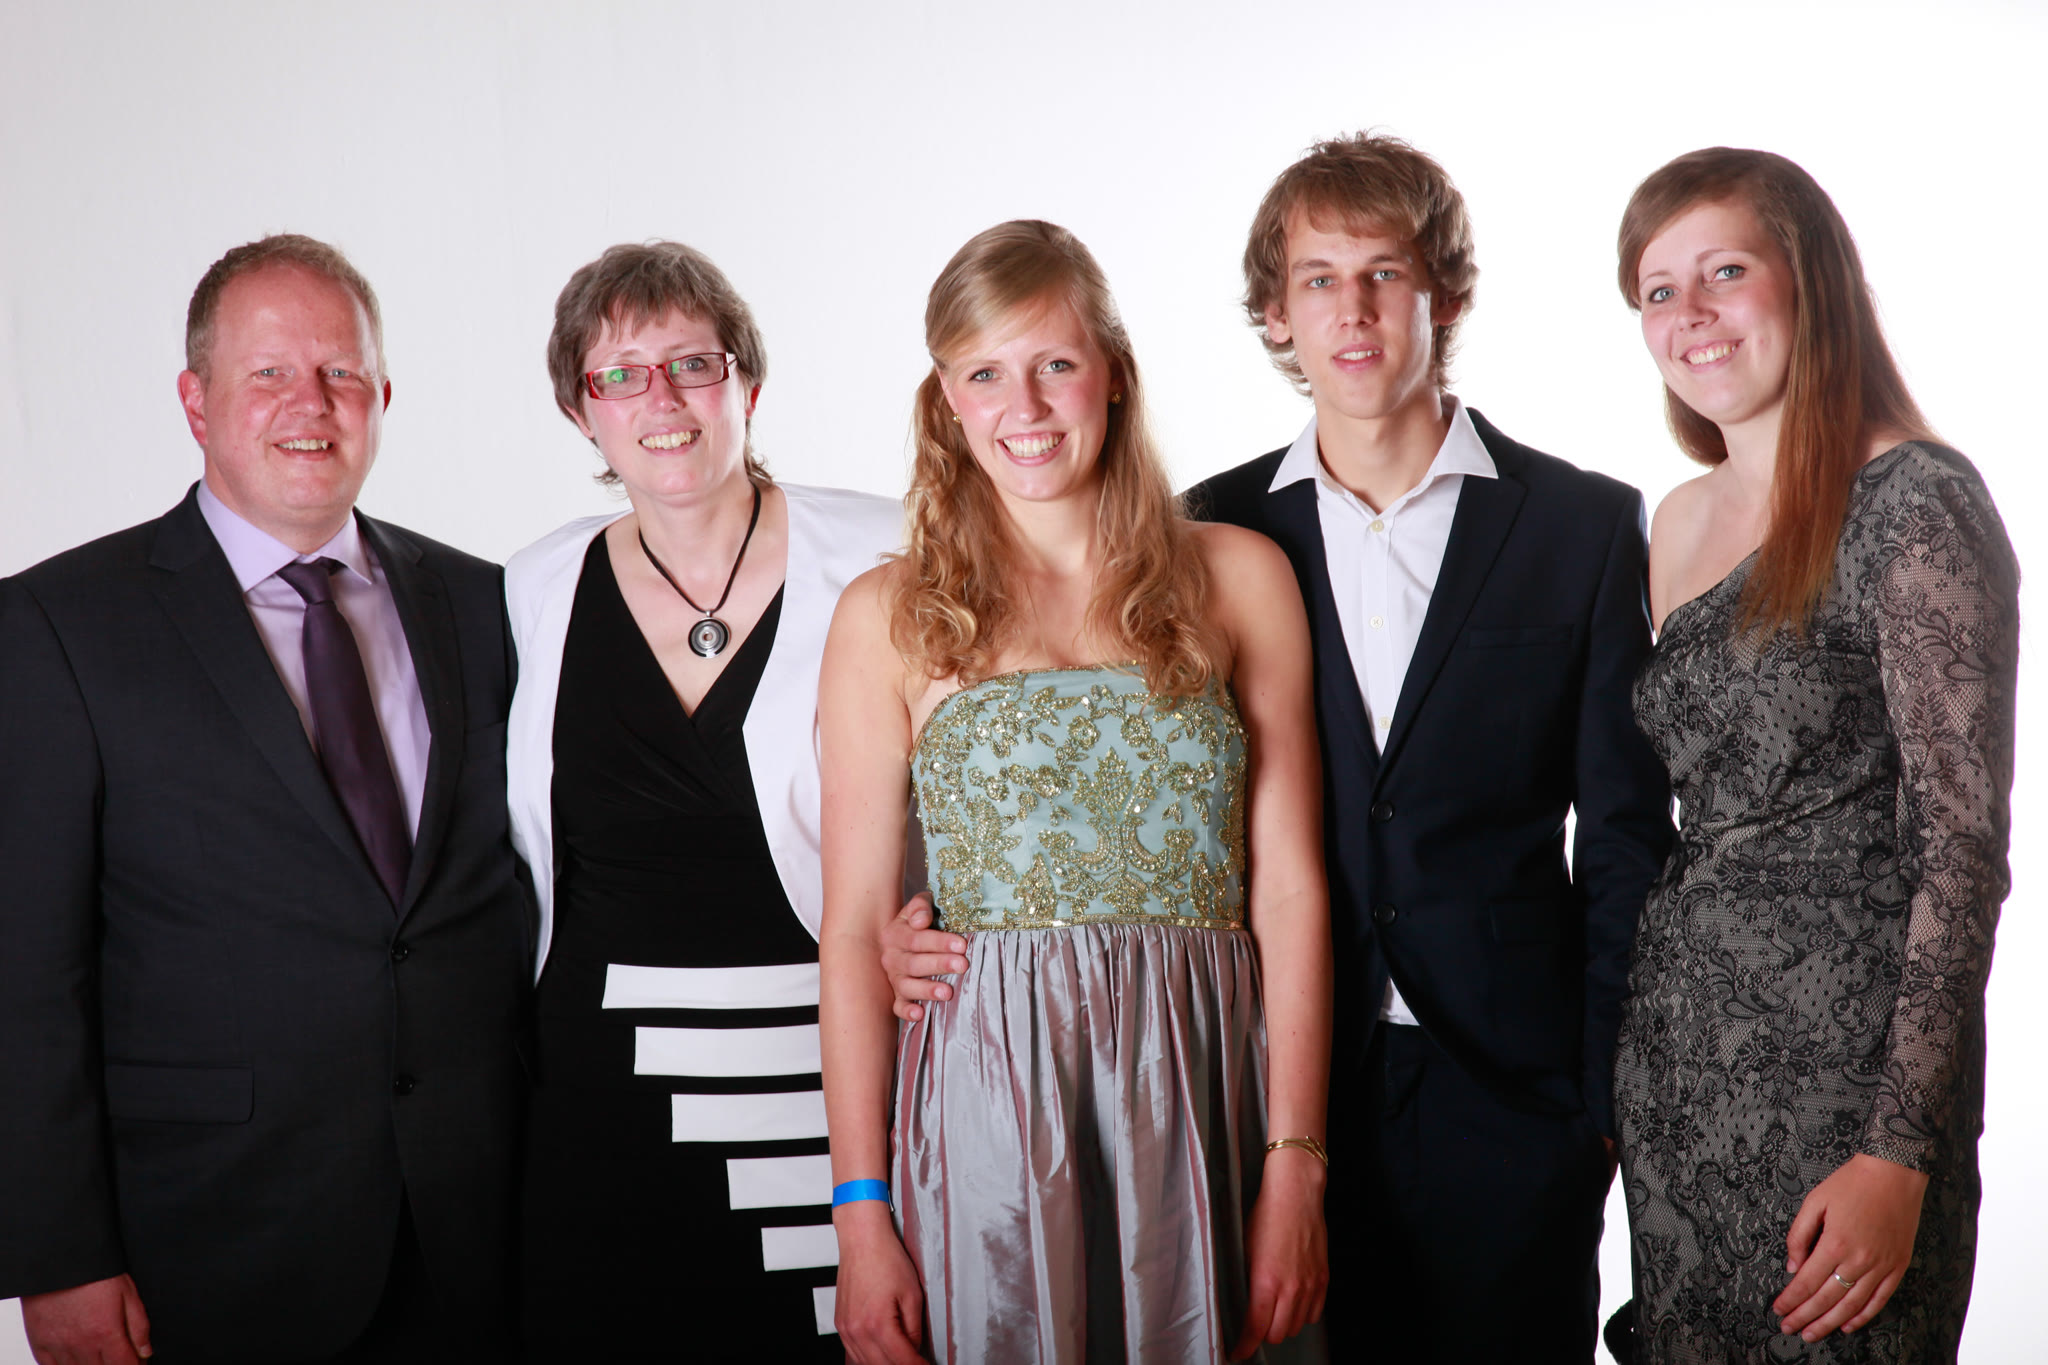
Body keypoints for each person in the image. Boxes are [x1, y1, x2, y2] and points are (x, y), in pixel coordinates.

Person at [0, 235, 532, 1362]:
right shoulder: (58, 626)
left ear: (383, 398)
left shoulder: (488, 605)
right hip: (207, 1238)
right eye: (270, 374)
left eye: (341, 373)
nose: (312, 404)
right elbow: (23, 969)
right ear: (196, 402)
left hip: (476, 1228)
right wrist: (58, 1252)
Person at [819, 220, 1332, 1365]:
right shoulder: (883, 615)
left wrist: (1295, 1165)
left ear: (1112, 374)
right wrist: (858, 1215)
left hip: (1199, 1085)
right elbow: (851, 930)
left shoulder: (1237, 576)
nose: (1025, 407)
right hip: (986, 1106)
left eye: (1054, 363)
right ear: (944, 402)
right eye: (983, 374)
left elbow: (1289, 891)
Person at [1612, 147, 2018, 1363]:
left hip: (1845, 1093)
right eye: (1657, 291)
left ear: (1810, 279)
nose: (1690, 315)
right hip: (1678, 1074)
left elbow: (1959, 847)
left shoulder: (1913, 501)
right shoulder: (1677, 520)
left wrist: (1898, 1150)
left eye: (1723, 272)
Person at [503, 241, 902, 1360]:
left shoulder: (888, 550)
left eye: (692, 363)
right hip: (604, 1100)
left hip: (827, 1076)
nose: (661, 400)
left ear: (747, 384)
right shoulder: (535, 586)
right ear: (581, 411)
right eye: (619, 375)